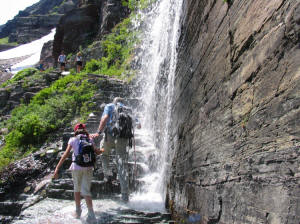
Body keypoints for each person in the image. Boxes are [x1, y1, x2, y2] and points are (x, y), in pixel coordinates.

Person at [92, 97, 141, 202]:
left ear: (115, 102)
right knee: (122, 165)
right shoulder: (128, 109)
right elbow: (139, 125)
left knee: (103, 152)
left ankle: (107, 173)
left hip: (110, 136)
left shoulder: (109, 106)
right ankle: (125, 195)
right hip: (123, 139)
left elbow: (104, 118)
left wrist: (99, 132)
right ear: (123, 102)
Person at [53, 123, 104, 223]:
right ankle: (91, 214)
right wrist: (103, 149)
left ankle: (78, 211)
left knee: (77, 189)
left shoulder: (73, 139)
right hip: (89, 167)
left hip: (76, 167)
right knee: (86, 190)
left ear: (75, 130)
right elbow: (97, 152)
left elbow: (65, 154)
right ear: (85, 130)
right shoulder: (90, 139)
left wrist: (57, 168)